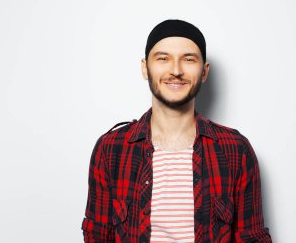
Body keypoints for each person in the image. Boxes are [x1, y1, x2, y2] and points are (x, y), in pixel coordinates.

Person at [81, 19, 272, 243]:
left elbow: (253, 238)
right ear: (145, 68)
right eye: (163, 58)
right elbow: (97, 237)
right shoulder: (111, 149)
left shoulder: (235, 150)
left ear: (204, 71)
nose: (176, 70)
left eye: (188, 59)